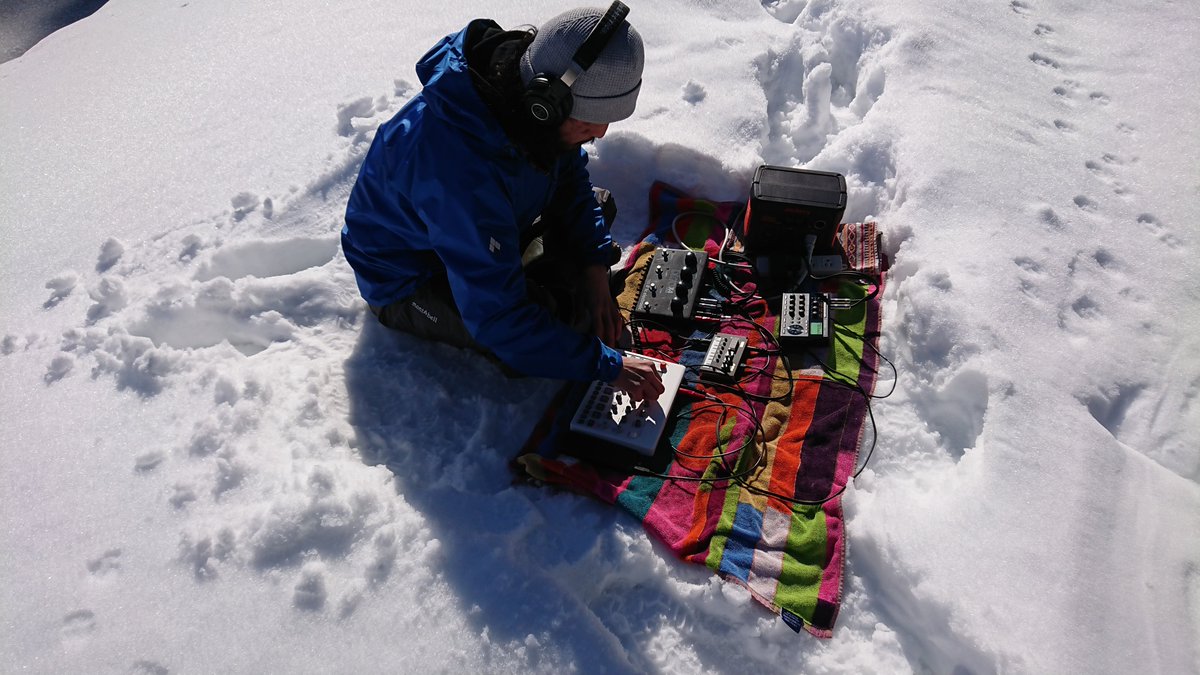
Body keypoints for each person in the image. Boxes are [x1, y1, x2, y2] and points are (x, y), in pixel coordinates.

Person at [341, 5, 664, 402]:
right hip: (410, 282)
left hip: (480, 227)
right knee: (556, 323)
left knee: (596, 212)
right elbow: (499, 320)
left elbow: (570, 179)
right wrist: (607, 365)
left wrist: (595, 271)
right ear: (544, 102)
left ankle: (549, 280)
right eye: (586, 123)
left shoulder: (529, 105)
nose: (600, 132)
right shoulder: (458, 167)